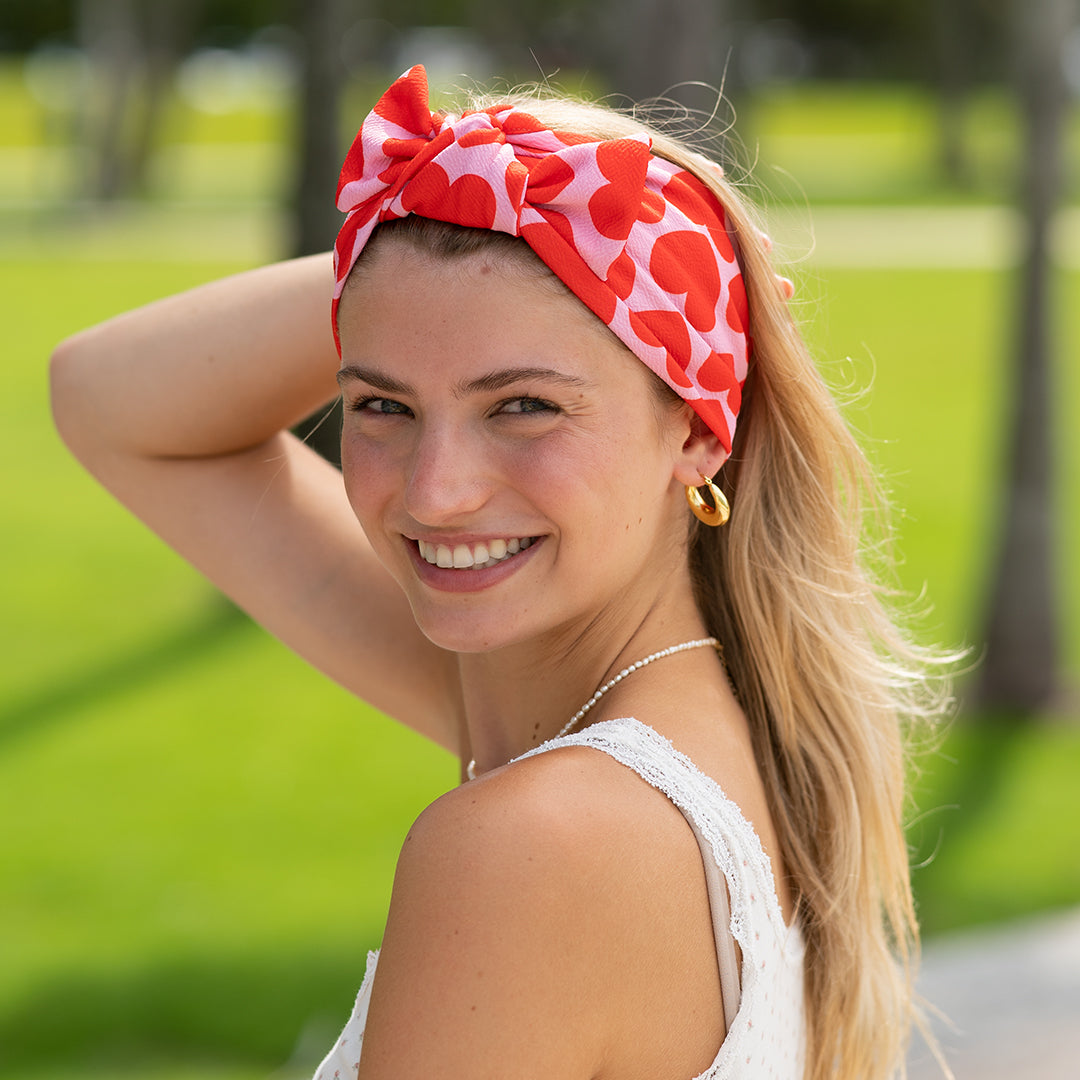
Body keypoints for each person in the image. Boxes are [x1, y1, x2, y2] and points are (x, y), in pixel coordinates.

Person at [50, 65, 949, 1080]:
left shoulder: (531, 848)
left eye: (522, 405)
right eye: (383, 405)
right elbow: (106, 400)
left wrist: (487, 221)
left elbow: (109, 402)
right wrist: (439, 222)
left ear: (701, 430)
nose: (436, 495)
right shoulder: (690, 721)